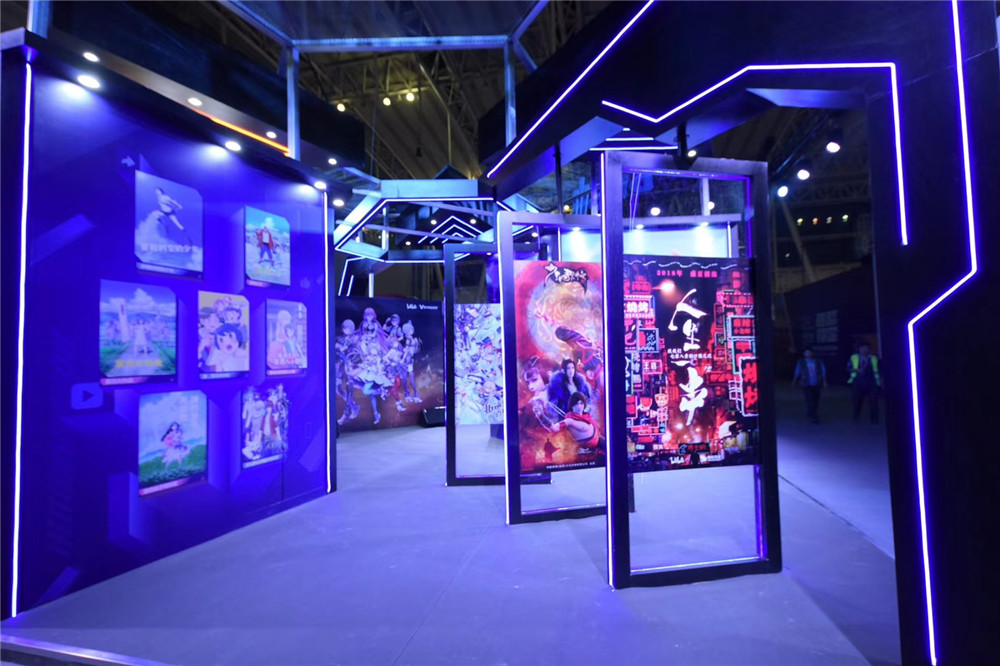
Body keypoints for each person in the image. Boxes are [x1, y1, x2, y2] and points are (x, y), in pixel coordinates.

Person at [847, 343, 881, 423]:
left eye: (866, 348)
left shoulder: (873, 358)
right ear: (859, 349)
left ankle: (874, 418)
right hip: (858, 383)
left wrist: (879, 381)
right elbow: (848, 368)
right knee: (857, 401)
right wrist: (857, 370)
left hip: (871, 383)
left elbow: (878, 370)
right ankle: (856, 415)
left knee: (873, 400)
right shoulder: (854, 358)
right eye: (862, 348)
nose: (864, 350)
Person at [792, 347, 827, 423]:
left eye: (809, 352)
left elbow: (823, 371)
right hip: (806, 383)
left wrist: (824, 381)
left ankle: (811, 411)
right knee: (810, 399)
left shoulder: (818, 361)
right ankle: (814, 415)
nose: (807, 354)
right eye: (806, 352)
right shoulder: (801, 362)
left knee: (816, 398)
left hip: (816, 383)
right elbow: (797, 371)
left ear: (812, 353)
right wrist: (794, 380)